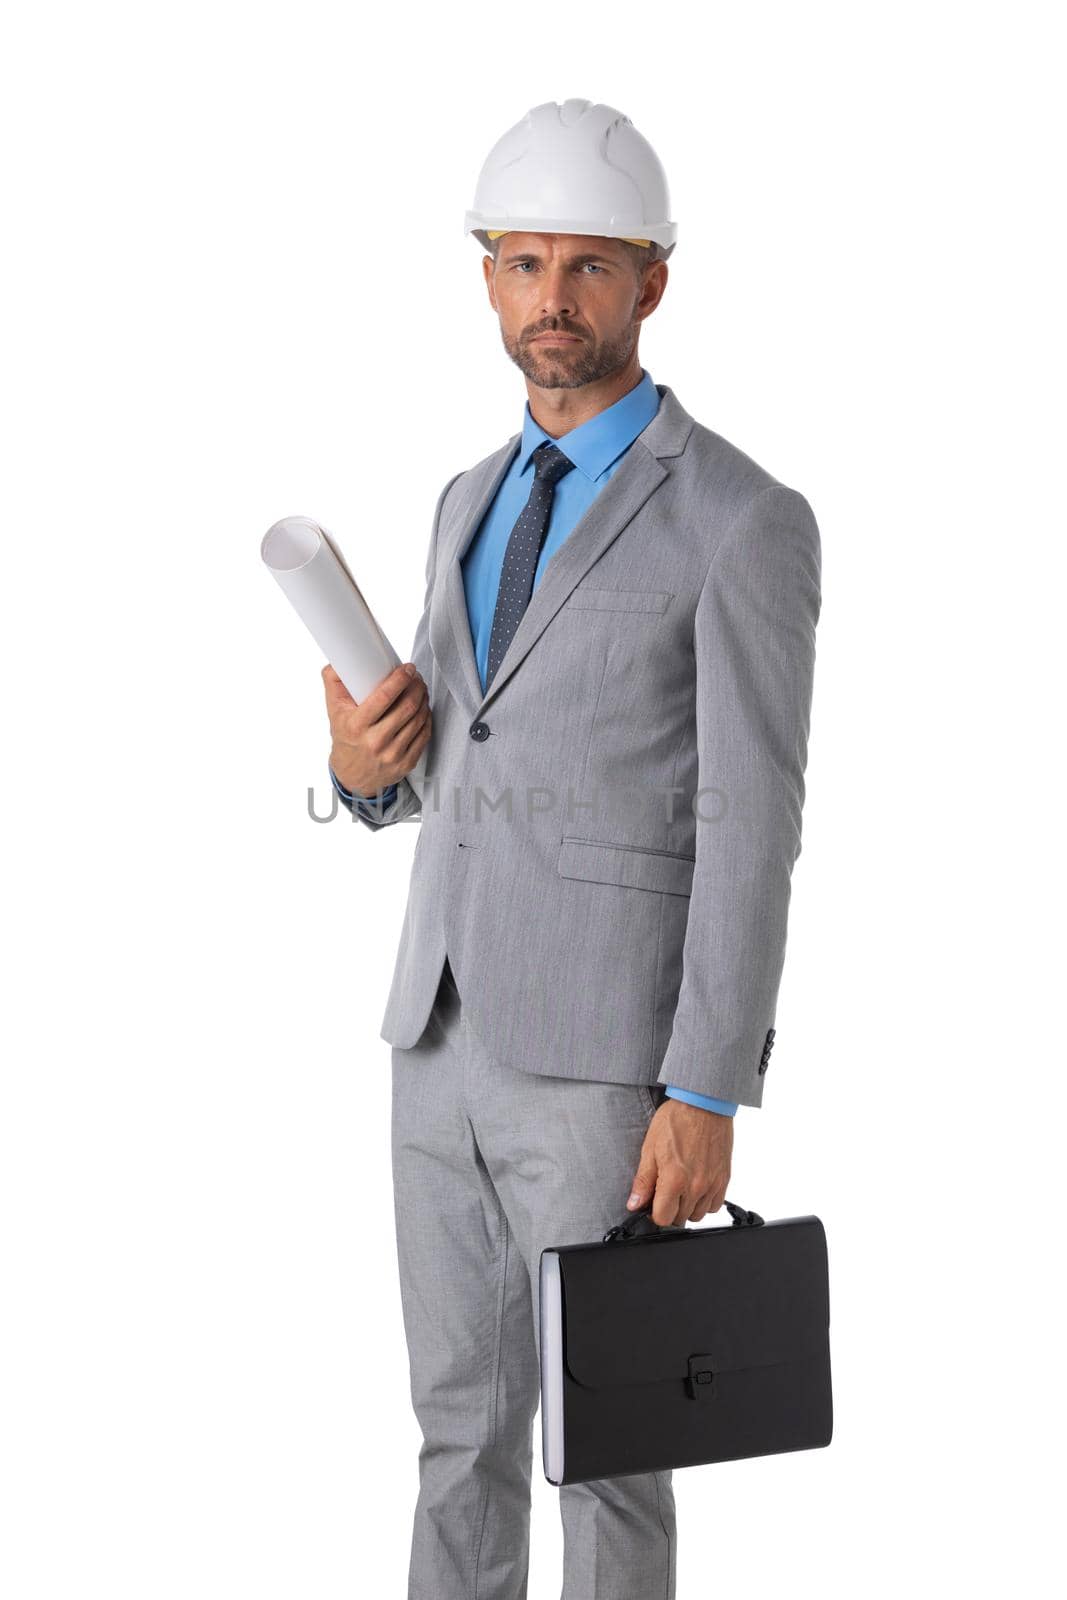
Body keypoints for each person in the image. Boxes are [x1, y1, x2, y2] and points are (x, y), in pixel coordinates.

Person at [323, 98, 821, 1600]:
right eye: (524, 262)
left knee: (609, 1454)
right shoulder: (466, 501)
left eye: (588, 267)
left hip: (610, 1066)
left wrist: (706, 1085)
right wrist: (356, 774)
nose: (553, 298)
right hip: (439, 1036)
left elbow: (757, 821)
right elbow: (439, 759)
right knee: (454, 1436)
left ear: (650, 283)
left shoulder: (740, 521)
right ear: (487, 280)